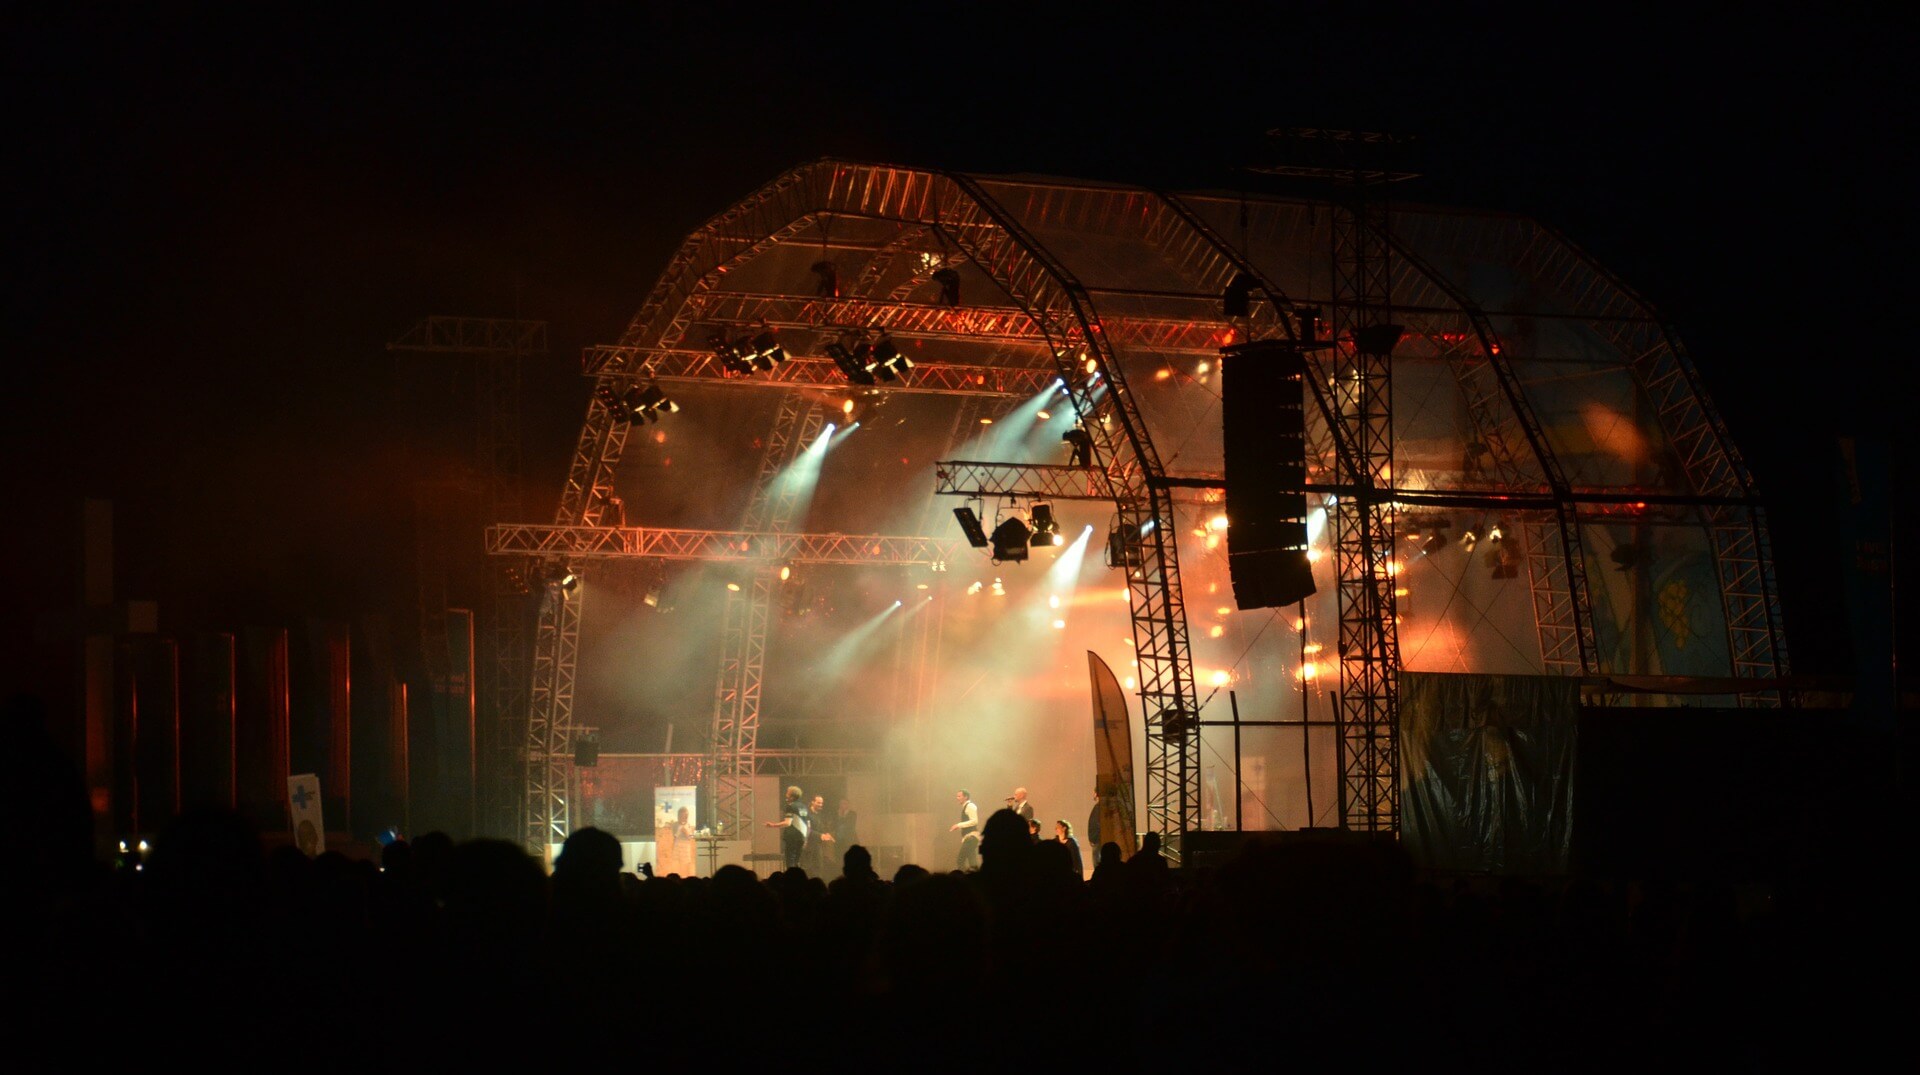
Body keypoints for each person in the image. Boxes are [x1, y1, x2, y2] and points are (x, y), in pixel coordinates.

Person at [764, 785, 809, 871]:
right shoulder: (804, 807)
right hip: (802, 837)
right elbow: (808, 824)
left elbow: (787, 823)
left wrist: (773, 825)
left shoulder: (791, 806)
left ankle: (790, 877)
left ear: (792, 796)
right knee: (797, 861)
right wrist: (806, 838)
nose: (786, 796)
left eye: (787, 794)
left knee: (790, 861)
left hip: (792, 837)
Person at [949, 789, 981, 870]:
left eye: (959, 796)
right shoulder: (966, 807)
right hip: (970, 838)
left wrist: (958, 825)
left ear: (965, 797)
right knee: (972, 862)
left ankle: (962, 877)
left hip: (971, 837)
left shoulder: (970, 806)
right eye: (957, 796)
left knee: (960, 860)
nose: (957, 798)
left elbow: (974, 821)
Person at [803, 793, 834, 876]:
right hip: (808, 846)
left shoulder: (819, 815)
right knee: (808, 870)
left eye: (822, 803)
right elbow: (807, 830)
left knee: (818, 869)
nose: (821, 805)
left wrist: (826, 834)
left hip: (817, 846)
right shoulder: (806, 814)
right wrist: (821, 836)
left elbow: (820, 829)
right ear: (812, 802)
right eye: (818, 803)